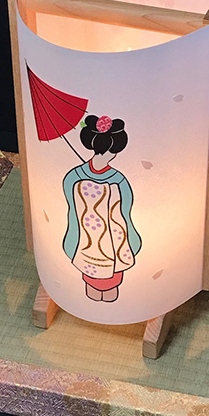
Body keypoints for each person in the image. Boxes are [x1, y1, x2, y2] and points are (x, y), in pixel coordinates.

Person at [62, 115, 142, 302]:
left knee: (109, 284)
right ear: (112, 152)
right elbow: (125, 209)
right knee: (96, 278)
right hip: (89, 237)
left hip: (111, 236)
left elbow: (125, 209)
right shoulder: (114, 179)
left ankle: (105, 295)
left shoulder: (75, 177)